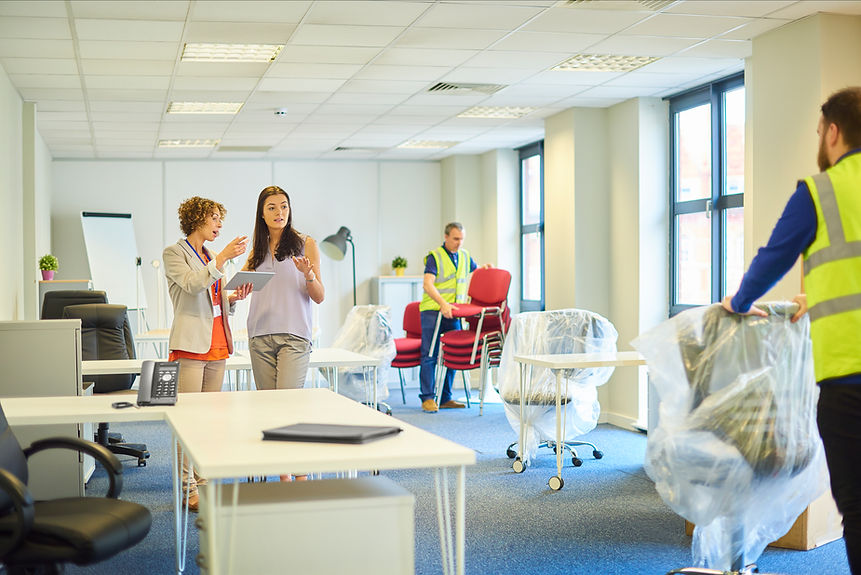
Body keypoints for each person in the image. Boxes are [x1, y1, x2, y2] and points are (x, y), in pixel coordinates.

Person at [721, 86, 861, 575]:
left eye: (821, 131)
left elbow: (773, 258)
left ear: (834, 132)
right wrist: (815, 297)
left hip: (850, 379)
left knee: (858, 507)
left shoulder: (823, 190)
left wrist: (738, 302)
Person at [163, 196, 252, 512]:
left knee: (209, 422)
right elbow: (191, 285)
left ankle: (202, 484)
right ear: (197, 219)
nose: (219, 225)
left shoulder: (211, 255)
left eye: (220, 219)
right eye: (214, 219)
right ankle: (187, 490)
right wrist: (223, 260)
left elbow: (214, 300)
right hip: (191, 344)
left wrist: (233, 297)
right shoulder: (175, 253)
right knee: (188, 419)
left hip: (217, 344)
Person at [243, 186, 325, 391]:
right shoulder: (258, 249)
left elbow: (320, 296)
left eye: (284, 207)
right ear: (261, 214)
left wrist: (309, 275)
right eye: (271, 208)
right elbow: (239, 285)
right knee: (268, 405)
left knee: (288, 402)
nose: (279, 213)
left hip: (294, 335)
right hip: (259, 335)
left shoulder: (306, 244)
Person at [418, 222, 490, 413]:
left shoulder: (465, 256)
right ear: (446, 237)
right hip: (433, 310)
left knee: (454, 353)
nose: (459, 243)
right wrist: (442, 303)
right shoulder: (435, 257)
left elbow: (476, 271)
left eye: (462, 239)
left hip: (454, 311)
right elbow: (427, 284)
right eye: (456, 239)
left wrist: (485, 268)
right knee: (430, 354)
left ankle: (445, 397)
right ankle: (427, 398)